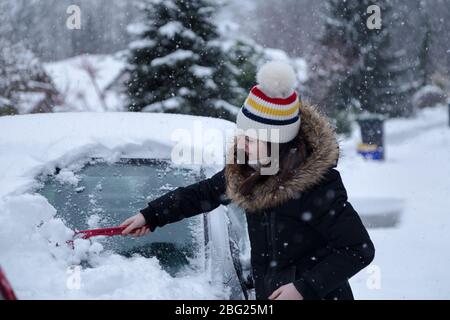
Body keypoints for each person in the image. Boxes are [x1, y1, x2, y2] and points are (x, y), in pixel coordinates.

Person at [121, 61, 375, 300]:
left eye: (251, 139)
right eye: (242, 134)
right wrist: (152, 216)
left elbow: (358, 249)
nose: (241, 144)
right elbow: (203, 194)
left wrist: (304, 287)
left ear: (277, 142)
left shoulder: (317, 187)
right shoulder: (249, 171)